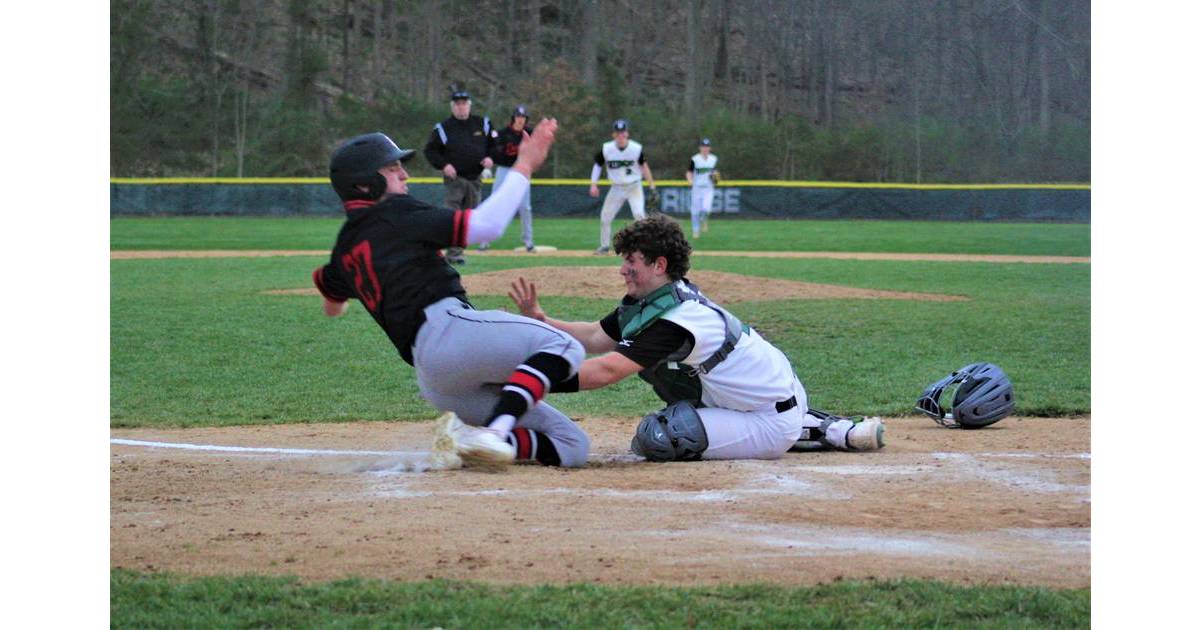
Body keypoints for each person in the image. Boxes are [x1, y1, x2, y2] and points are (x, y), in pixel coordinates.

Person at [314, 122, 591, 469]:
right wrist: (524, 166)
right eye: (391, 167)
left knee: (572, 446)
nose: (404, 173)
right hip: (449, 333)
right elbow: (487, 225)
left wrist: (345, 297)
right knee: (565, 346)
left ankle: (463, 442)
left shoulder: (345, 248)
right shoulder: (394, 213)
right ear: (363, 183)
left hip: (436, 380)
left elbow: (331, 300)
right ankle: (495, 432)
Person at [508, 215, 885, 462]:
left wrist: (526, 386)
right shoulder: (655, 303)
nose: (623, 269)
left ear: (659, 266)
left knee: (660, 436)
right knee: (674, 413)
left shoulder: (676, 319)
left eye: (632, 261)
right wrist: (543, 320)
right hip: (762, 398)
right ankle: (824, 428)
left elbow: (606, 370)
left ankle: (814, 428)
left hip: (767, 418)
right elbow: (594, 336)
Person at [423, 90, 495, 265]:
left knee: (469, 219)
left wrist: (491, 157)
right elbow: (430, 151)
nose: (461, 107)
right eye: (457, 104)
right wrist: (444, 165)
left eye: (464, 103)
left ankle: (455, 252)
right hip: (455, 179)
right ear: (452, 107)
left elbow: (495, 146)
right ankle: (445, 251)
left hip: (475, 178)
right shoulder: (443, 128)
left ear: (469, 105)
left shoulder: (483, 124)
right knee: (452, 215)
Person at [589, 119, 656, 255]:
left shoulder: (636, 149)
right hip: (616, 188)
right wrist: (593, 184)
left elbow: (644, 167)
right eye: (618, 133)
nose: (620, 136)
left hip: (634, 187)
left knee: (639, 215)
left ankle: (645, 247)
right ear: (614, 134)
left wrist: (652, 186)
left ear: (627, 134)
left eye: (623, 133)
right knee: (605, 216)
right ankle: (604, 246)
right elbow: (597, 165)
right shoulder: (607, 148)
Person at [487, 104, 536, 252]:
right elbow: (493, 150)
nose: (520, 119)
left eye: (523, 117)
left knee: (525, 207)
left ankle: (528, 242)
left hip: (522, 170)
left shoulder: (529, 133)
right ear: (513, 118)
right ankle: (485, 241)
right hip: (504, 169)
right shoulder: (503, 133)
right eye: (518, 116)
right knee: (494, 202)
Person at [686, 138, 720, 239]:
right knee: (695, 211)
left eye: (707, 146)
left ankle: (704, 220)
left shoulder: (713, 159)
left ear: (710, 148)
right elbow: (689, 172)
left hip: (708, 188)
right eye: (703, 146)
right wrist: (690, 181)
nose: (705, 148)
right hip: (696, 188)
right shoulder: (695, 159)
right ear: (700, 148)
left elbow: (716, 173)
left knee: (706, 208)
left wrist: (716, 177)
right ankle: (695, 231)